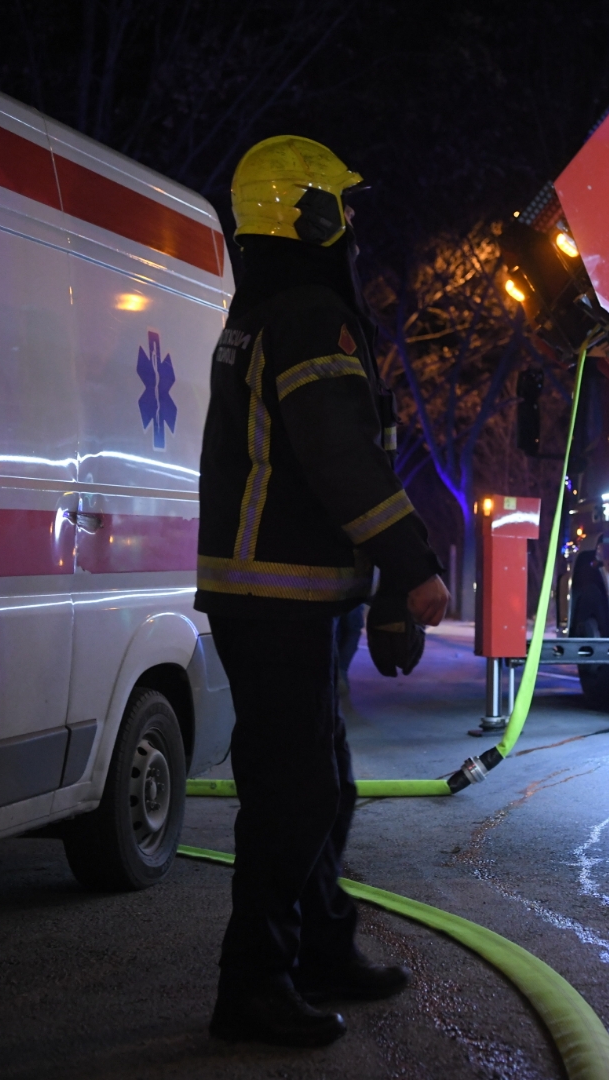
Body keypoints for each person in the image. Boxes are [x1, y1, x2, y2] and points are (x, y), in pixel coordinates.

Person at [195, 135, 450, 1047]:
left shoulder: (269, 309)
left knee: (320, 783)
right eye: (339, 206)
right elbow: (340, 457)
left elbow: (334, 457)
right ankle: (254, 985)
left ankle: (319, 949)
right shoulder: (308, 315)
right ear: (312, 215)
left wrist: (376, 585)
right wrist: (412, 566)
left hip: (286, 597)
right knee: (295, 793)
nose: (349, 223)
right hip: (281, 600)